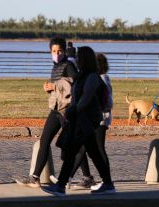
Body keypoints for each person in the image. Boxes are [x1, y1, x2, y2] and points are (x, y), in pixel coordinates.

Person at [43, 47, 115, 196]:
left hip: (87, 119)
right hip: (82, 119)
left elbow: (85, 99)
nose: (76, 60)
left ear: (85, 59)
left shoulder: (92, 77)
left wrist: (72, 110)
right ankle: (108, 183)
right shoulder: (82, 75)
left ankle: (61, 186)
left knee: (72, 151)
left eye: (79, 57)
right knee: (93, 152)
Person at [15, 36, 78, 187]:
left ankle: (87, 177)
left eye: (59, 51)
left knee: (74, 145)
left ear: (64, 51)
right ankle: (35, 177)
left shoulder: (68, 65)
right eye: (53, 51)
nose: (56, 53)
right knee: (44, 140)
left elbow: (76, 83)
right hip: (56, 110)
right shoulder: (55, 66)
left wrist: (54, 86)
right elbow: (59, 88)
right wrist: (48, 88)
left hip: (67, 111)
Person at [67, 53, 113, 189]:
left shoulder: (102, 79)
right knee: (83, 148)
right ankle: (77, 177)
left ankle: (107, 181)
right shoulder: (98, 78)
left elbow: (107, 101)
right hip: (94, 119)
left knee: (98, 150)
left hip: (99, 120)